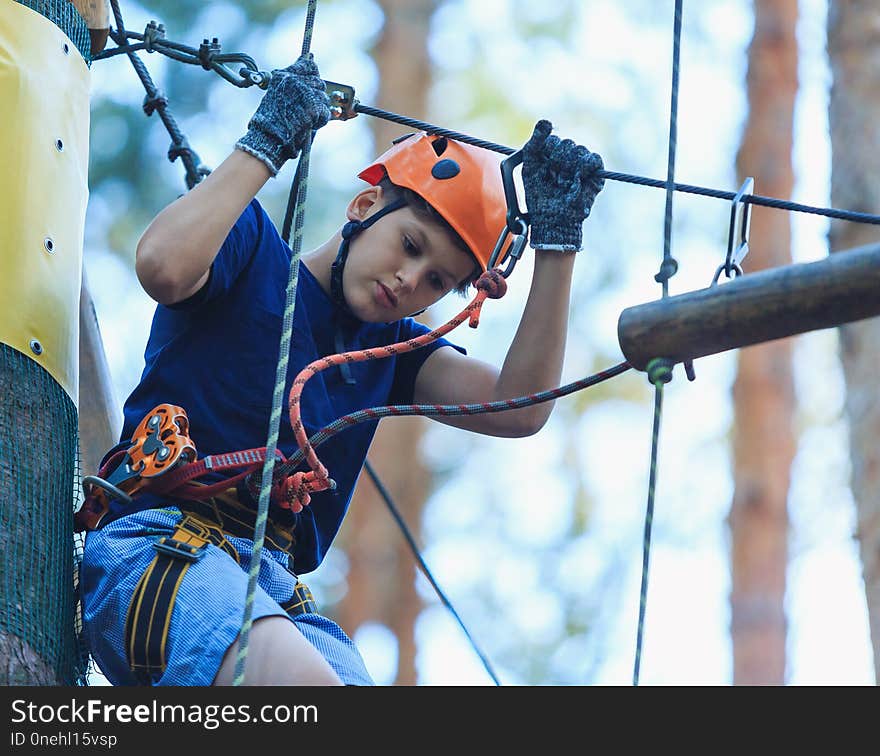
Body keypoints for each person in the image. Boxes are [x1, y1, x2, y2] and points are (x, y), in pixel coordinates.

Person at [78, 53, 604, 686]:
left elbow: (519, 407)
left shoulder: (389, 355)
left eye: (438, 280)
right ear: (364, 205)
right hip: (157, 554)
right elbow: (161, 265)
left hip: (275, 592)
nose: (411, 280)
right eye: (410, 246)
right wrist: (266, 141)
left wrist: (558, 245)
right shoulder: (250, 253)